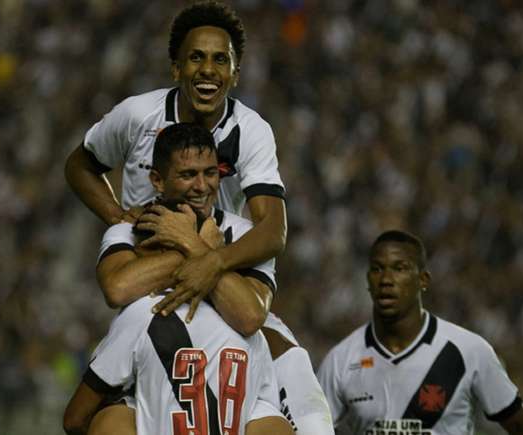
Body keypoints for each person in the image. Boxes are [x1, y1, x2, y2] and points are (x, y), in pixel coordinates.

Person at [64, 2, 333, 433]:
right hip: (151, 281)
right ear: (175, 68)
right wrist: (121, 216)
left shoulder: (251, 130)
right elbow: (79, 166)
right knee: (102, 419)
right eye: (196, 57)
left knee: (300, 383)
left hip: (225, 268)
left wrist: (208, 256)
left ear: (235, 73)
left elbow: (273, 229)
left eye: (220, 59)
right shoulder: (136, 116)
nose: (208, 69)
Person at [63, 123, 293, 435]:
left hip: (238, 373)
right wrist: (204, 250)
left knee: (300, 418)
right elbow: (118, 289)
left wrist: (193, 244)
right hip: (149, 368)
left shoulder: (244, 234)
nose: (202, 186)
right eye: (188, 175)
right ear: (157, 179)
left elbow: (250, 315)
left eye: (210, 173)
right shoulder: (127, 228)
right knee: (110, 423)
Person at [316, 230, 523, 435]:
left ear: (423, 280)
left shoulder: (469, 352)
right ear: (367, 280)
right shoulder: (340, 361)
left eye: (400, 268)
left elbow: (521, 426)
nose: (386, 280)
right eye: (377, 269)